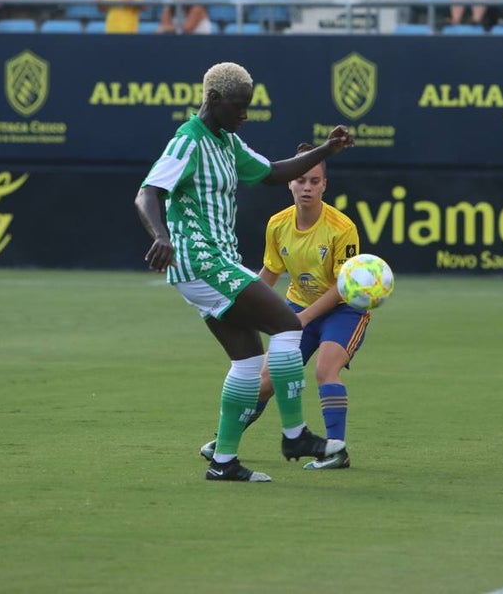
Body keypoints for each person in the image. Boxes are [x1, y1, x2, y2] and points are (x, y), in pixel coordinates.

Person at [135, 61, 354, 482]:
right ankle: (294, 435)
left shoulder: (227, 142)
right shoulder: (188, 141)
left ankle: (223, 462)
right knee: (288, 325)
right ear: (214, 100)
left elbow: (273, 172)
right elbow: (147, 193)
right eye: (239, 106)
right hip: (201, 260)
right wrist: (160, 235)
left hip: (218, 262)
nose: (245, 115)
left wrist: (326, 150)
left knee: (249, 359)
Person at [199, 142, 368, 470]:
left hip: (343, 310)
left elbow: (343, 286)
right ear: (290, 182)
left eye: (315, 181)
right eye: (301, 179)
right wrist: (241, 304)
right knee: (265, 381)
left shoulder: (342, 227)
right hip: (298, 308)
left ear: (324, 185)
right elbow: (270, 273)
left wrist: (302, 317)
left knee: (325, 369)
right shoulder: (278, 224)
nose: (307, 187)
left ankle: (336, 451)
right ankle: (225, 441)